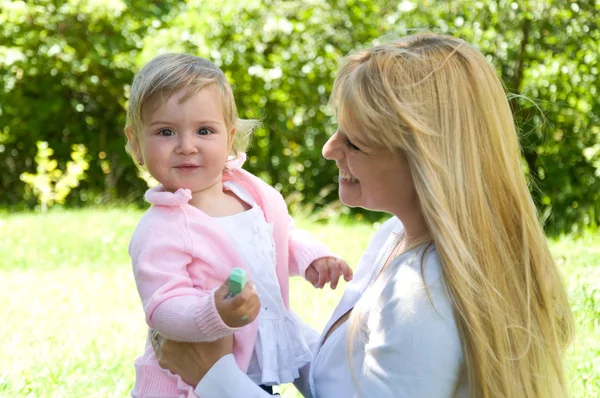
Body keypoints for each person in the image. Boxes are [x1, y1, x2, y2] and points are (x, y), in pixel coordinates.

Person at [152, 33, 575, 398]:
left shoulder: (424, 298)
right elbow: (338, 382)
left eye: (353, 142)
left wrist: (215, 376)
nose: (329, 149)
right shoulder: (396, 237)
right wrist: (269, 330)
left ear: (424, 161)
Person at [124, 53, 353, 397]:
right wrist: (212, 311)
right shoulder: (163, 226)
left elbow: (277, 237)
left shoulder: (250, 193)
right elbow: (163, 307)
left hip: (253, 371)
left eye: (204, 130)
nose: (187, 146)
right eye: (166, 132)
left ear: (229, 137)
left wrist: (310, 256)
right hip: (188, 383)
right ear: (136, 143)